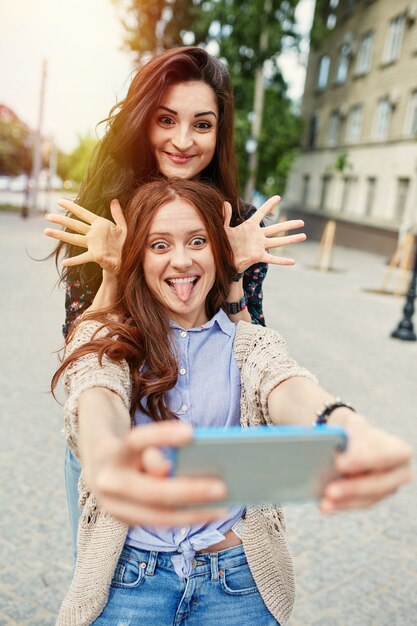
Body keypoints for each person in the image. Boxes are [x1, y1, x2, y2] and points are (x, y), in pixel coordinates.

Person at [53, 178, 412, 626]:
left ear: (218, 252)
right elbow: (96, 395)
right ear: (138, 257)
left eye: (198, 241)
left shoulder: (250, 343)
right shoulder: (108, 338)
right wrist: (107, 458)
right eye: (159, 244)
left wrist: (344, 425)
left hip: (235, 587)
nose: (181, 260)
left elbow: (285, 383)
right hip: (128, 584)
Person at [44, 46, 306, 554]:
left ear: (219, 132)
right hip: (116, 435)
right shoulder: (102, 214)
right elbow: (81, 353)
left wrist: (233, 271)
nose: (183, 141)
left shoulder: (239, 219)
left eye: (202, 124)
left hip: (211, 446)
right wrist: (113, 271)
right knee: (104, 588)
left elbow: (250, 351)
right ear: (143, 123)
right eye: (166, 120)